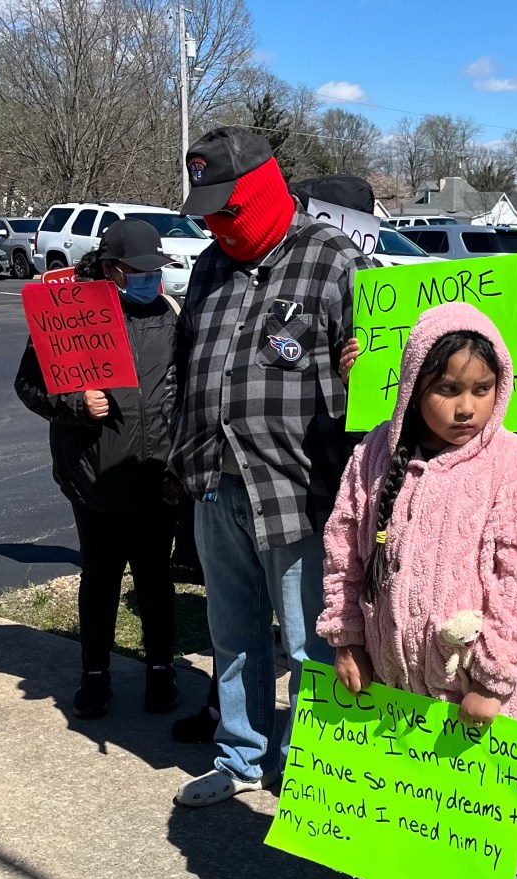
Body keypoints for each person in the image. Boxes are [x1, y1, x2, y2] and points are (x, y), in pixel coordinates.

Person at [317, 301, 517, 879]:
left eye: (481, 389)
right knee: (416, 817)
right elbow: (343, 550)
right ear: (414, 384)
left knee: (476, 819)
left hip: (480, 692)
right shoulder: (375, 455)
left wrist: (494, 675)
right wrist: (347, 637)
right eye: (447, 389)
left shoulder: (514, 466)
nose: (465, 406)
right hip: (399, 681)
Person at [168, 126, 373, 806]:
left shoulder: (334, 259)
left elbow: (384, 380)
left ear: (263, 191)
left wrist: (360, 377)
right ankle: (242, 756)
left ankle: (310, 771)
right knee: (233, 634)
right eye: (207, 212)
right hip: (215, 480)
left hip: (297, 486)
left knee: (311, 642)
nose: (217, 225)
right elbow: (187, 364)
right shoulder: (209, 266)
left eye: (228, 209)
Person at [14, 219, 181, 718]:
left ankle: (161, 670)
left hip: (156, 475)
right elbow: (28, 385)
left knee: (155, 578)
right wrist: (75, 404)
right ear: (111, 269)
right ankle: (95, 674)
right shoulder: (69, 315)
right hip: (94, 478)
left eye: (155, 271)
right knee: (102, 577)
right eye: (139, 271)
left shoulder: (173, 316)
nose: (150, 279)